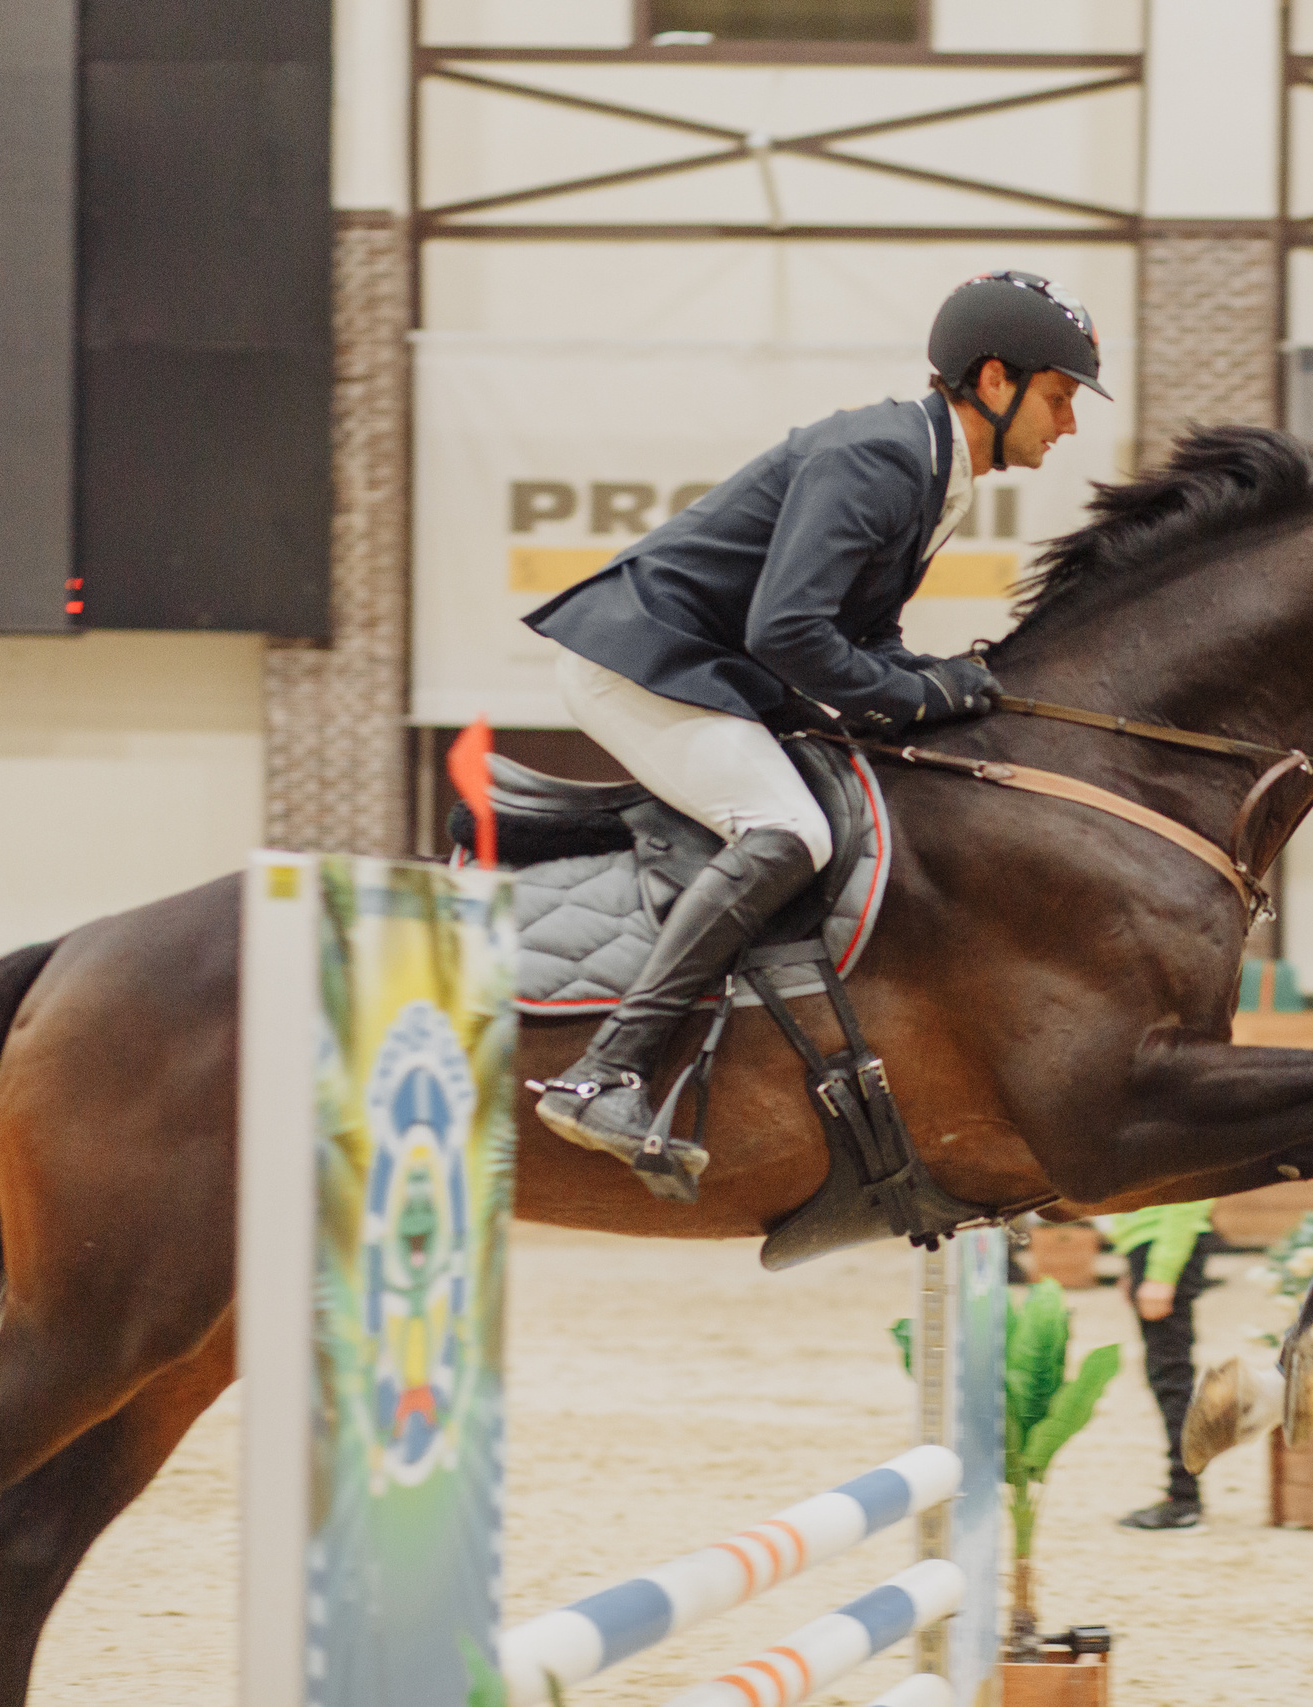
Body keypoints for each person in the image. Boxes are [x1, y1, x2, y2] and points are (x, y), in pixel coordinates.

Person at [519, 271, 1110, 1188]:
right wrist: (921, 697)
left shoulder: (930, 467)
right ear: (994, 380)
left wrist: (950, 682)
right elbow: (789, 631)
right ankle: (606, 1073)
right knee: (790, 829)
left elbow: (862, 634)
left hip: (713, 666)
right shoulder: (880, 457)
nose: (1068, 424)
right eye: (1059, 397)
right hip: (646, 661)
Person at [1105, 1199, 1218, 1531]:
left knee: (1171, 1376)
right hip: (1152, 1245)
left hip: (1166, 1244)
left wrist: (1162, 1272)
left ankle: (1184, 1498)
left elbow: (1191, 1195)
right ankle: (1183, 1494)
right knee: (1167, 1375)